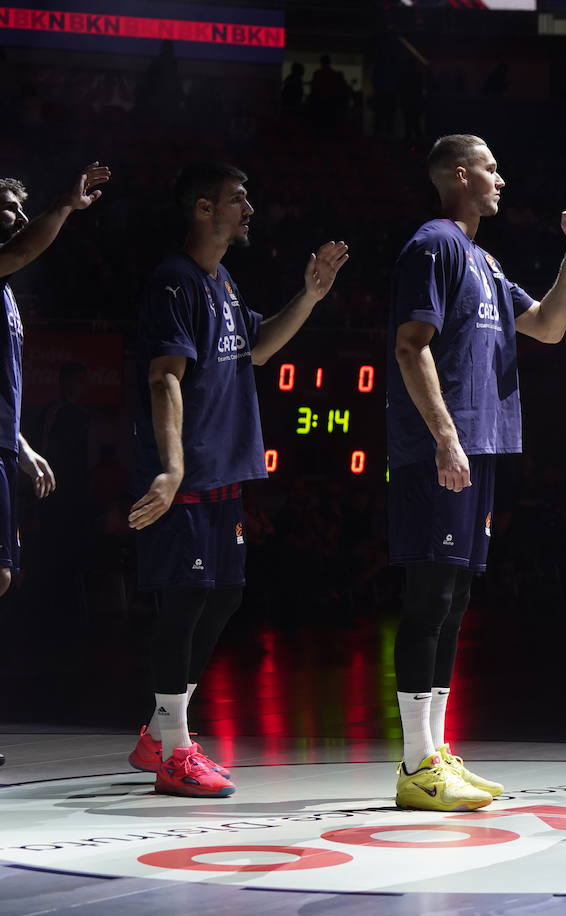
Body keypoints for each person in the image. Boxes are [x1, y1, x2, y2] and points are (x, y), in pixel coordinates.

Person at [127, 161, 348, 798]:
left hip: (225, 474)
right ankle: (174, 752)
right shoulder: (174, 281)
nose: (249, 208)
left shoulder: (221, 280)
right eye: (237, 198)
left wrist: (309, 293)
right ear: (203, 207)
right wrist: (171, 469)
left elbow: (258, 348)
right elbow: (164, 376)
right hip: (189, 475)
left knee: (220, 598)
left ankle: (158, 733)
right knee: (184, 604)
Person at [387, 134, 566, 812]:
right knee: (428, 601)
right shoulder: (434, 244)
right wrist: (445, 438)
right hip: (441, 452)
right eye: (490, 167)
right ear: (457, 173)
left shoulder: (482, 259)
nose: (500, 178)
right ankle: (417, 764)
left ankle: (434, 752)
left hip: (482, 449)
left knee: (454, 602)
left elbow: (551, 327)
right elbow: (411, 346)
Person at [0, 163, 109, 768]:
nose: (16, 220)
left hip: (2, 448)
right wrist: (65, 205)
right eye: (6, 209)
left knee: (4, 578)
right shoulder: (4, 266)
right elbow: (22, 247)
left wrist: (21, 441)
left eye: (21, 210)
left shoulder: (8, 292)